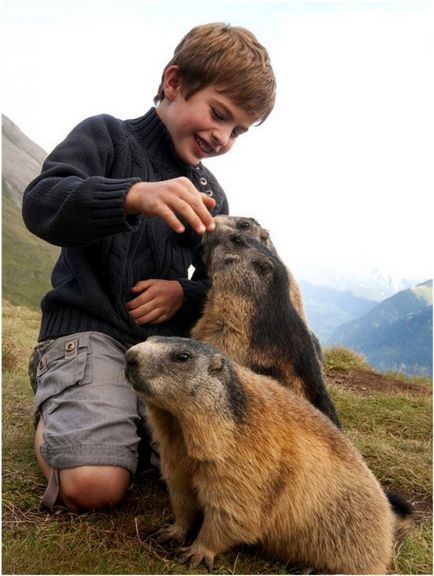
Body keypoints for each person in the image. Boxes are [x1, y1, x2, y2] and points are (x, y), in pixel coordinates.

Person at [23, 22, 276, 512]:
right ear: (174, 82)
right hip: (86, 335)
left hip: (160, 352)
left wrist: (185, 296)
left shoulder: (211, 193)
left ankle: (116, 429)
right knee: (96, 487)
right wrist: (133, 195)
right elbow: (41, 203)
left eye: (238, 130)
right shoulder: (106, 136)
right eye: (219, 114)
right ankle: (58, 411)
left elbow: (218, 288)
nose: (222, 137)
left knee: (216, 473)